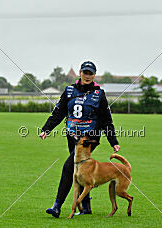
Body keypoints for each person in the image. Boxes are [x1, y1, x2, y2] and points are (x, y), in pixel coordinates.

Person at [39, 61, 120, 218]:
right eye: (85, 72)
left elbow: (106, 120)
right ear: (80, 73)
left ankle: (57, 205)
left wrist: (113, 141)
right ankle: (86, 207)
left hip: (90, 137)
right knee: (79, 169)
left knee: (69, 167)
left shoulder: (99, 94)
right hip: (72, 135)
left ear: (94, 75)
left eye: (90, 73)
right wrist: (46, 129)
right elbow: (59, 112)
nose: (87, 76)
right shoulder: (69, 91)